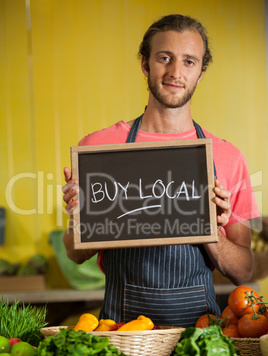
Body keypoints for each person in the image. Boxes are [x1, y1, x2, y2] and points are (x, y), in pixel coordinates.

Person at [62, 14, 259, 327]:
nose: (175, 72)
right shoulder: (99, 148)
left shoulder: (228, 157)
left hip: (197, 336)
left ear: (201, 72)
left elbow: (243, 271)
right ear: (145, 64)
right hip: (121, 334)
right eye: (164, 58)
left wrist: (205, 224)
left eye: (189, 61)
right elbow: (74, 253)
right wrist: (84, 216)